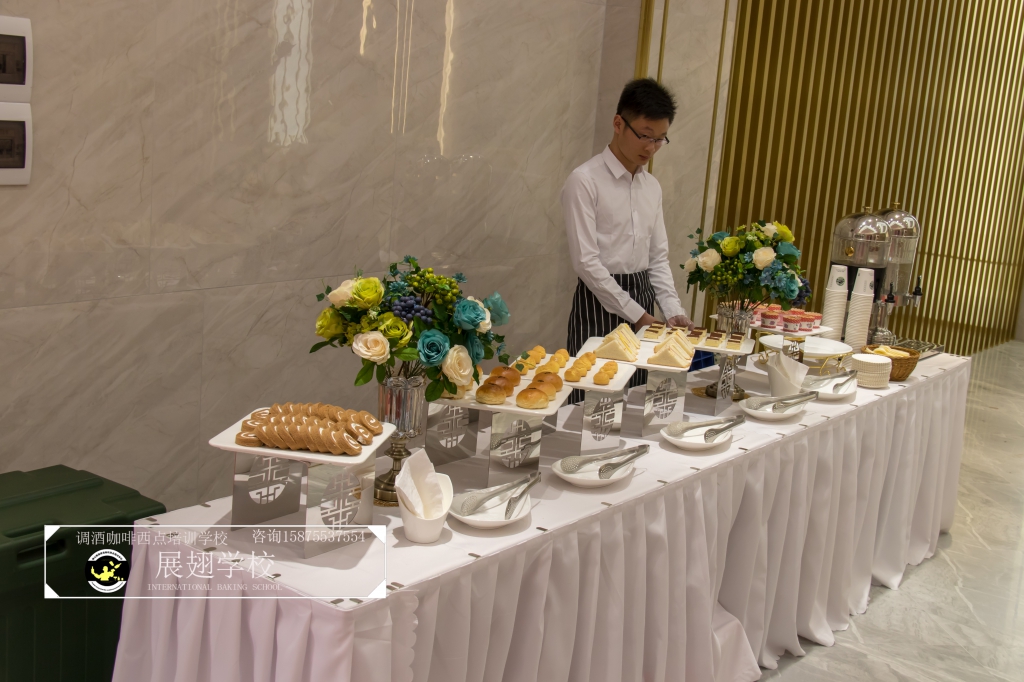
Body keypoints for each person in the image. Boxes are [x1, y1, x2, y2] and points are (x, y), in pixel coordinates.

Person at [562, 78, 710, 396]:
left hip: (644, 298)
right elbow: (586, 263)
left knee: (638, 398)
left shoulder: (651, 186)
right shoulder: (584, 181)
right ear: (619, 124)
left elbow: (657, 258)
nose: (651, 148)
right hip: (598, 303)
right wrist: (638, 316)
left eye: (660, 139)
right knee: (592, 397)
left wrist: (672, 311)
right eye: (645, 135)